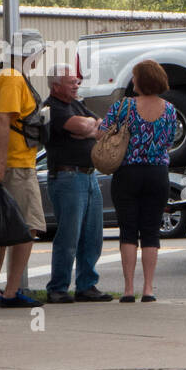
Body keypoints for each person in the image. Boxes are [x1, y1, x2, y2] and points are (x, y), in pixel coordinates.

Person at [95, 60, 177, 303]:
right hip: (157, 173)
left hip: (127, 173)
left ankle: (129, 289)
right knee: (151, 232)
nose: (132, 81)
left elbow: (101, 133)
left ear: (142, 80)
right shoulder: (170, 109)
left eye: (134, 77)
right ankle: (148, 288)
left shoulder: (123, 107)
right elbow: (170, 141)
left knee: (128, 231)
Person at [0, 30, 47, 308]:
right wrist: (2, 164)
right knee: (29, 227)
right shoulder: (13, 78)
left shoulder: (2, 74)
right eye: (40, 53)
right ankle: (9, 292)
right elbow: (4, 120)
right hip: (14, 164)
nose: (40, 59)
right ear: (30, 53)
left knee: (1, 228)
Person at [43, 63, 112, 303]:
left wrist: (87, 129)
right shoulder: (52, 108)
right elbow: (85, 125)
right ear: (56, 86)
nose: (76, 84)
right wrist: (87, 127)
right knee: (69, 236)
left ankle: (86, 286)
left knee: (93, 234)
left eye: (76, 81)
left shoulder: (77, 104)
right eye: (71, 82)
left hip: (89, 175)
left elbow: (103, 127)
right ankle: (58, 288)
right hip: (67, 177)